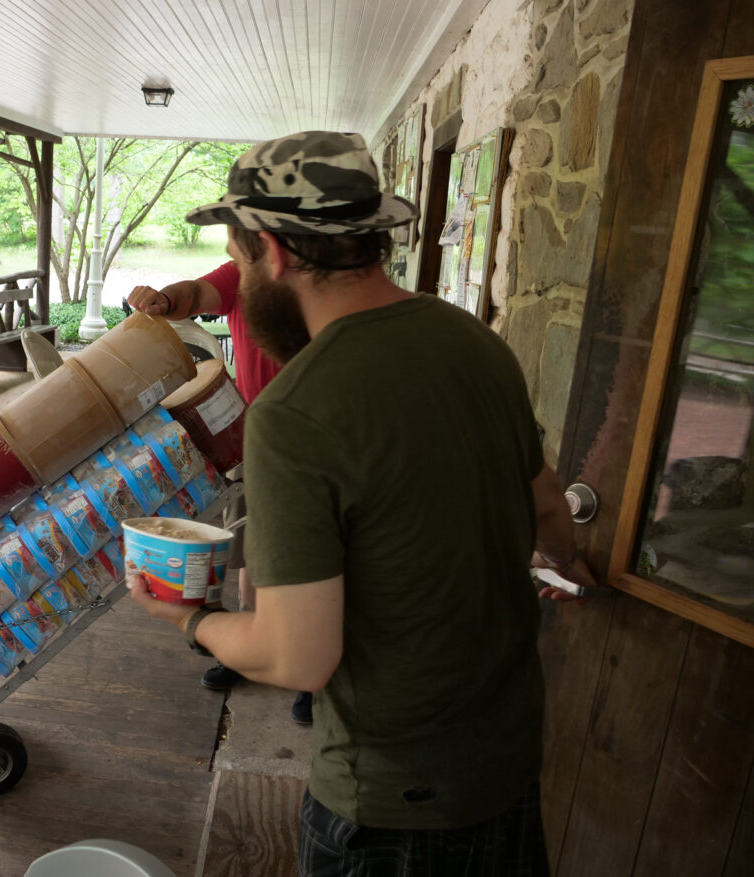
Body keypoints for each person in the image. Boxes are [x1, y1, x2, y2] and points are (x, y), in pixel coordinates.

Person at [127, 130, 598, 876]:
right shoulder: (474, 340)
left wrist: (191, 618)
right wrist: (570, 563)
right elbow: (547, 505)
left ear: (273, 252)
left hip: (392, 805)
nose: (243, 280)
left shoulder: (294, 410)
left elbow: (297, 655)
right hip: (505, 759)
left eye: (242, 257)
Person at [126, 263, 314, 725]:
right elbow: (195, 292)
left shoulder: (325, 272)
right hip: (253, 436)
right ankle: (249, 647)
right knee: (248, 550)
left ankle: (312, 671)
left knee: (311, 558)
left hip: (320, 439)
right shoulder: (246, 270)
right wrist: (165, 301)